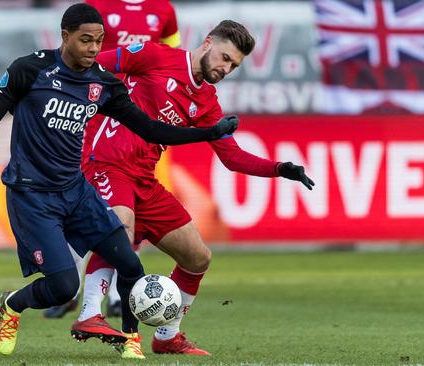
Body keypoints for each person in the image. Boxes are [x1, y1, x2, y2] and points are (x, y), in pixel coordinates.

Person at [0, 3, 237, 360]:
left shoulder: (102, 83)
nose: (93, 49)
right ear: (65, 37)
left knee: (131, 264)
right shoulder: (29, 70)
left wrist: (208, 132)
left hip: (75, 193)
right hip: (32, 195)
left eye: (99, 41)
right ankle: (12, 305)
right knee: (63, 287)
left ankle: (130, 342)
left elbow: (150, 129)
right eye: (86, 40)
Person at [71, 20, 315, 356]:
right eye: (225, 58)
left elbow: (232, 157)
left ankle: (167, 336)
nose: (226, 68)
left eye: (233, 65)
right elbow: (96, 64)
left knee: (198, 257)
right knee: (120, 232)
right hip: (106, 161)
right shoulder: (156, 56)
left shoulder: (206, 103)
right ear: (208, 42)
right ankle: (90, 313)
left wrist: (280, 168)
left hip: (144, 178)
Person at [44, 0, 182, 320]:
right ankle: (69, 288)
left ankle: (120, 296)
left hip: (137, 119)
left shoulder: (163, 9)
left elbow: (172, 57)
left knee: (127, 207)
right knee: (78, 201)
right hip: (95, 109)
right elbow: (75, 55)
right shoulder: (97, 6)